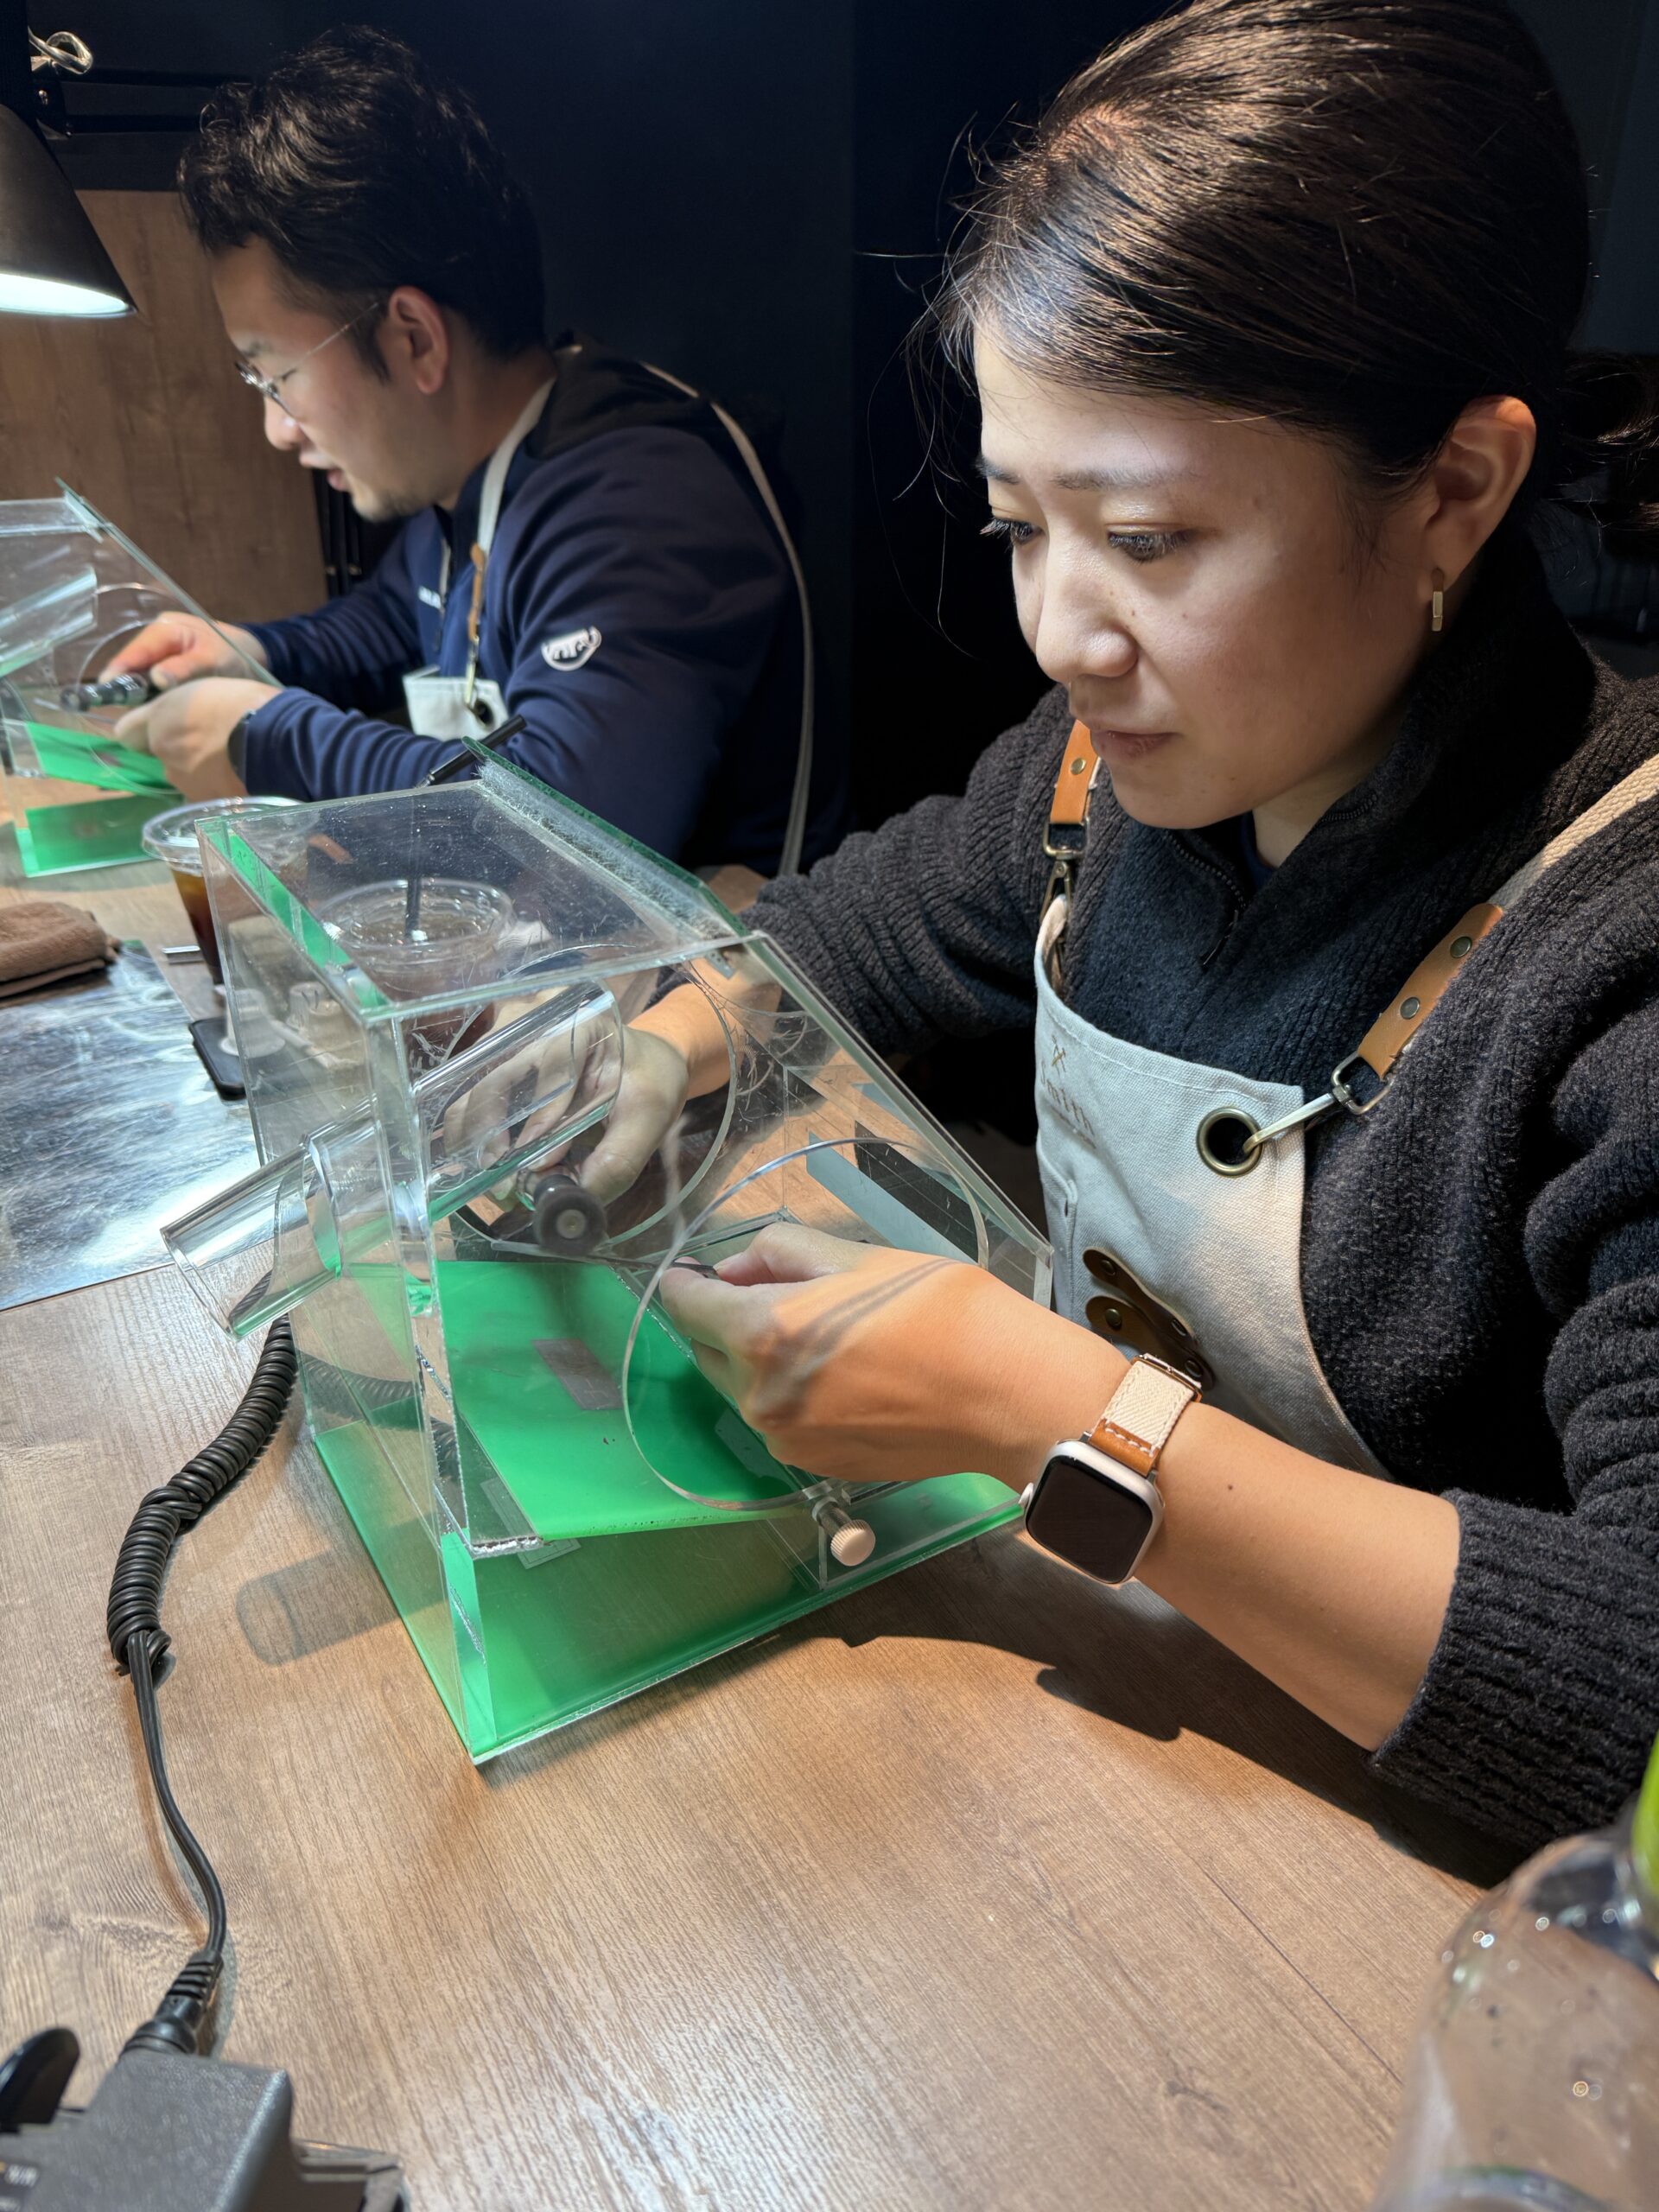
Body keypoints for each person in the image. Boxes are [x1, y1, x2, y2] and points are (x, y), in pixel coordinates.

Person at [545, 0, 1659, 1847]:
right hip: (1127, 1760)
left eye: (1145, 540)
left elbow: (1633, 1693)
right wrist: (675, 1041)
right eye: (1018, 527)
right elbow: (855, 931)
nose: (1060, 634)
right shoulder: (1094, 786)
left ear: (1455, 492)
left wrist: (1036, 1399)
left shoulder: (1612, 948)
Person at [111, 28, 843, 876]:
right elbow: (394, 615)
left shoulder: (645, 504)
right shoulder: (480, 468)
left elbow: (567, 833)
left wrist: (269, 737)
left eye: (277, 375)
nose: (280, 428)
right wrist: (252, 651)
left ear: (415, 339)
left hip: (735, 952)